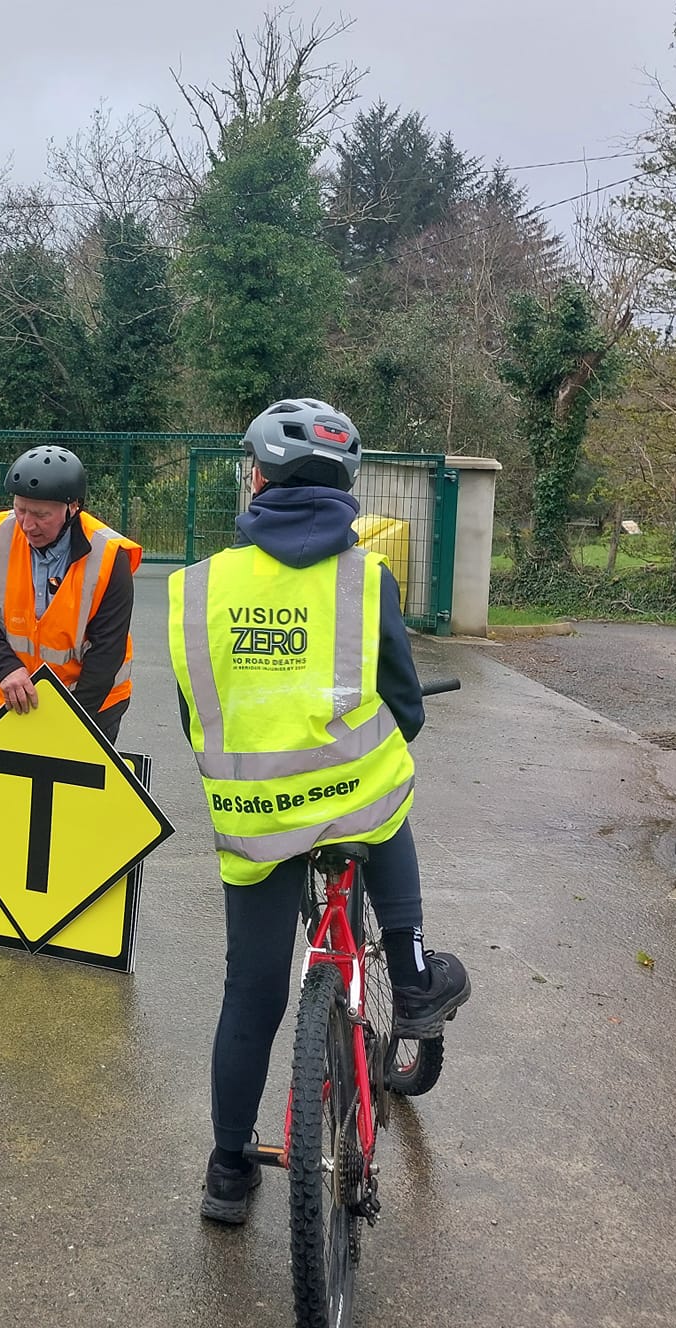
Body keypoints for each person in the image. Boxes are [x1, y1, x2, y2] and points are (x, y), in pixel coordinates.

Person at [166, 398, 469, 1225]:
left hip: (256, 820)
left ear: (256, 479)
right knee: (386, 791)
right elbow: (404, 708)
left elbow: (199, 716)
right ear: (346, 488)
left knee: (251, 994)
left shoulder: (197, 589)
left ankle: (229, 1171)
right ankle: (408, 978)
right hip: (352, 811)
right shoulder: (366, 580)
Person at [0, 444, 141, 741]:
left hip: (91, 707)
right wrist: (6, 668)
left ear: (72, 508)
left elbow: (107, 652)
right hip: (18, 700)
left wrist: (65, 725)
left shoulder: (110, 557)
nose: (28, 525)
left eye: (41, 515)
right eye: (20, 509)